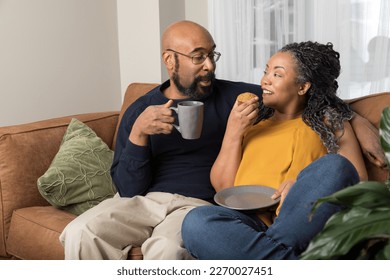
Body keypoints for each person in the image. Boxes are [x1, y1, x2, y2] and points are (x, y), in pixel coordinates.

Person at [59, 20, 384, 260]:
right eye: (199, 57)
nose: (210, 65)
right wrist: (138, 134)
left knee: (176, 240)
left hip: (231, 208)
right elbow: (132, 189)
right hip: (169, 205)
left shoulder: (242, 99)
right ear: (170, 61)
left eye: (212, 55)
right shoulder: (143, 109)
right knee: (85, 231)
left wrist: (355, 119)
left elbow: (310, 98)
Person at [181, 41, 368, 260]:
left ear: (302, 87)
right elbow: (223, 187)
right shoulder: (252, 122)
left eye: (277, 74)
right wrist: (233, 131)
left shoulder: (329, 120)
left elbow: (355, 180)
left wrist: (301, 186)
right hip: (248, 224)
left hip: (299, 221)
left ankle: (270, 256)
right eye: (266, 71)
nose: (264, 80)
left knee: (336, 166)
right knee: (197, 221)